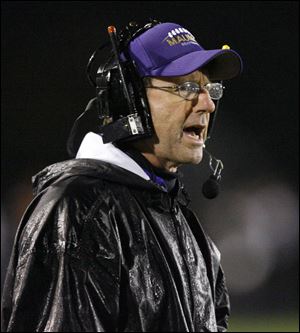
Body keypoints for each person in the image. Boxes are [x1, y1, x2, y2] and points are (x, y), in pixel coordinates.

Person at [1, 20, 242, 332]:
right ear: (129, 99)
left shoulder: (177, 214)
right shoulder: (80, 209)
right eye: (186, 87)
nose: (207, 103)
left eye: (209, 88)